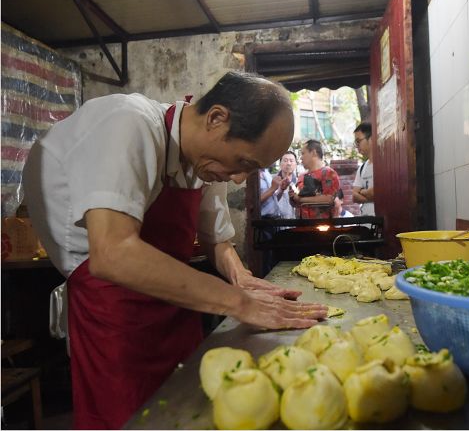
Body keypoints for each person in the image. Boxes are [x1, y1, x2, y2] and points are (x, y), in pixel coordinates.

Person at [22, 71, 327, 429]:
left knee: (191, 408)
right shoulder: (128, 125)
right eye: (244, 163)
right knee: (131, 419)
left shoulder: (204, 159)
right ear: (216, 118)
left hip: (176, 304)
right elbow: (112, 252)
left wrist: (242, 280)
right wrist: (238, 302)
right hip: (112, 309)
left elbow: (217, 240)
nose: (240, 179)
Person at [290, 140, 340, 219]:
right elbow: (296, 202)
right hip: (302, 225)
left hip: (323, 226)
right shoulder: (301, 176)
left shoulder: (328, 173)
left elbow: (329, 199)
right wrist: (293, 197)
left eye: (303, 153)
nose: (301, 157)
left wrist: (301, 199)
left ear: (313, 153)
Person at [352, 123, 375, 216]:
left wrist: (361, 191)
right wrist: (371, 196)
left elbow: (375, 193)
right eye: (355, 142)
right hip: (365, 223)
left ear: (371, 139)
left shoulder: (383, 166)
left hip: (380, 223)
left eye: (359, 141)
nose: (357, 146)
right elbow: (354, 197)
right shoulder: (362, 168)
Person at [274, 151, 298, 219]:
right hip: (275, 222)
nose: (288, 163)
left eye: (291, 161)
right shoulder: (273, 180)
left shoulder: (299, 182)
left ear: (296, 164)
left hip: (294, 221)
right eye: (285, 160)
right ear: (280, 163)